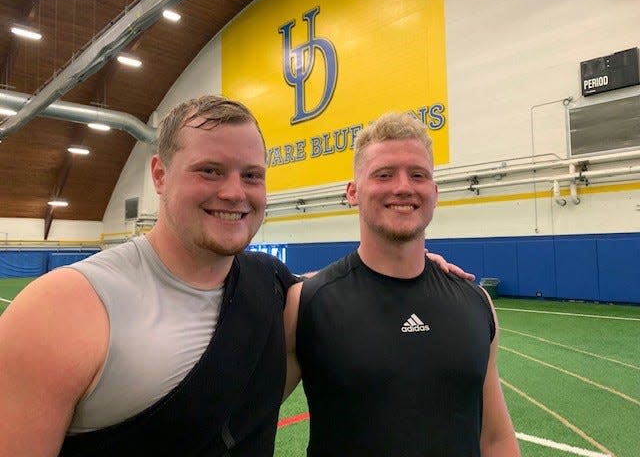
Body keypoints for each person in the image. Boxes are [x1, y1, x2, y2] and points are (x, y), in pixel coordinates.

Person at [0, 95, 470, 457]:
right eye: (209, 170)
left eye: (251, 176)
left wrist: (421, 266)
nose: (234, 192)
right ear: (160, 175)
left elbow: (357, 281)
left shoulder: (272, 287)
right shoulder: (62, 309)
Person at [284, 112, 520, 456]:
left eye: (418, 175)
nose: (403, 187)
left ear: (435, 192)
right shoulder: (307, 304)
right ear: (353, 192)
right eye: (384, 174)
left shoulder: (476, 303)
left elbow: (496, 438)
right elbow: (241, 419)